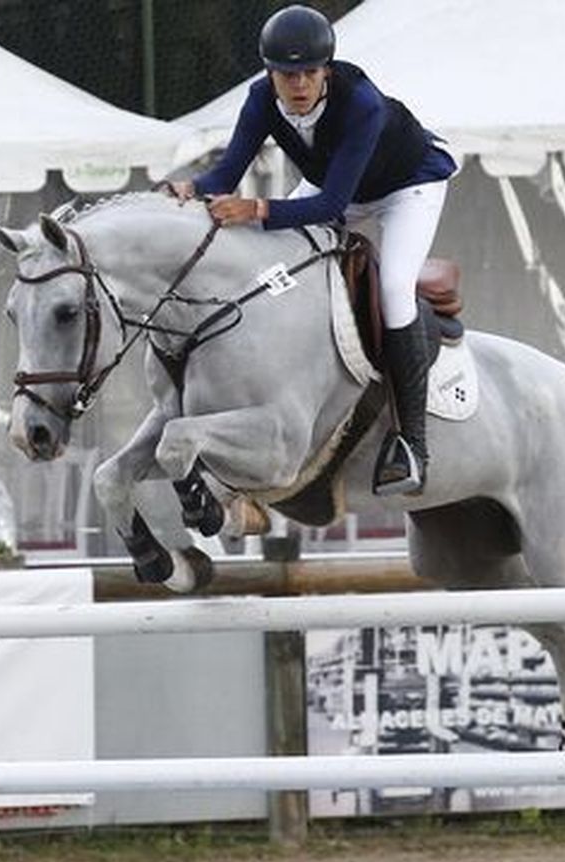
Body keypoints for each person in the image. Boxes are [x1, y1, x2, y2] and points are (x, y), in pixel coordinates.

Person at [165, 4, 456, 497]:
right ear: (269, 73)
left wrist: (257, 209)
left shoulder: (361, 103)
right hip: (335, 187)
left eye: (309, 73)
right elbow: (224, 176)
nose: (298, 85)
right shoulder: (260, 99)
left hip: (408, 187)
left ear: (326, 70)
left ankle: (412, 446)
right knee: (272, 264)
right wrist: (189, 189)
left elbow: (333, 204)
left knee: (394, 291)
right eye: (286, 74)